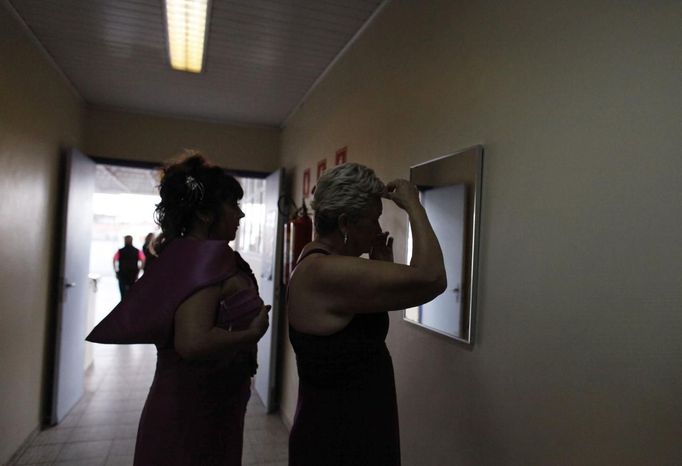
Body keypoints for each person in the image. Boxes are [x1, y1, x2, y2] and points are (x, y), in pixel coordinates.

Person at [87, 153, 270, 465]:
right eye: (232, 205)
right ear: (202, 213)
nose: (240, 215)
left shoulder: (186, 253)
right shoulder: (206, 257)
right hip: (195, 408)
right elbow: (193, 342)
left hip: (200, 401)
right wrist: (251, 334)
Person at [287, 163, 446, 466]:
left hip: (355, 430)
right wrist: (414, 205)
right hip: (338, 443)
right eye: (373, 220)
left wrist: (379, 268)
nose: (377, 229)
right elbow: (432, 278)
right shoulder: (321, 271)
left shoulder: (323, 264)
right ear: (345, 223)